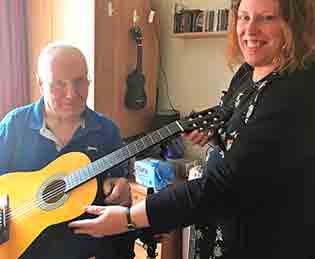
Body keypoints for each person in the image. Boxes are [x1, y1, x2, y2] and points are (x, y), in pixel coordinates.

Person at [69, 0, 315, 258]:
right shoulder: (247, 72)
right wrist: (215, 136)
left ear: (293, 24)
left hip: (267, 240)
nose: (249, 30)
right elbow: (246, 141)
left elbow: (222, 185)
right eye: (243, 17)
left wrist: (130, 218)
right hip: (222, 228)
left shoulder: (296, 91)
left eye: (266, 18)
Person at [0, 43, 135, 259]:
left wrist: (121, 192)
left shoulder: (107, 130)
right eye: (59, 84)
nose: (71, 94)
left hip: (87, 251)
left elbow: (118, 185)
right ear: (40, 84)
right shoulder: (14, 125)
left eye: (79, 81)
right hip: (25, 250)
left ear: (89, 81)